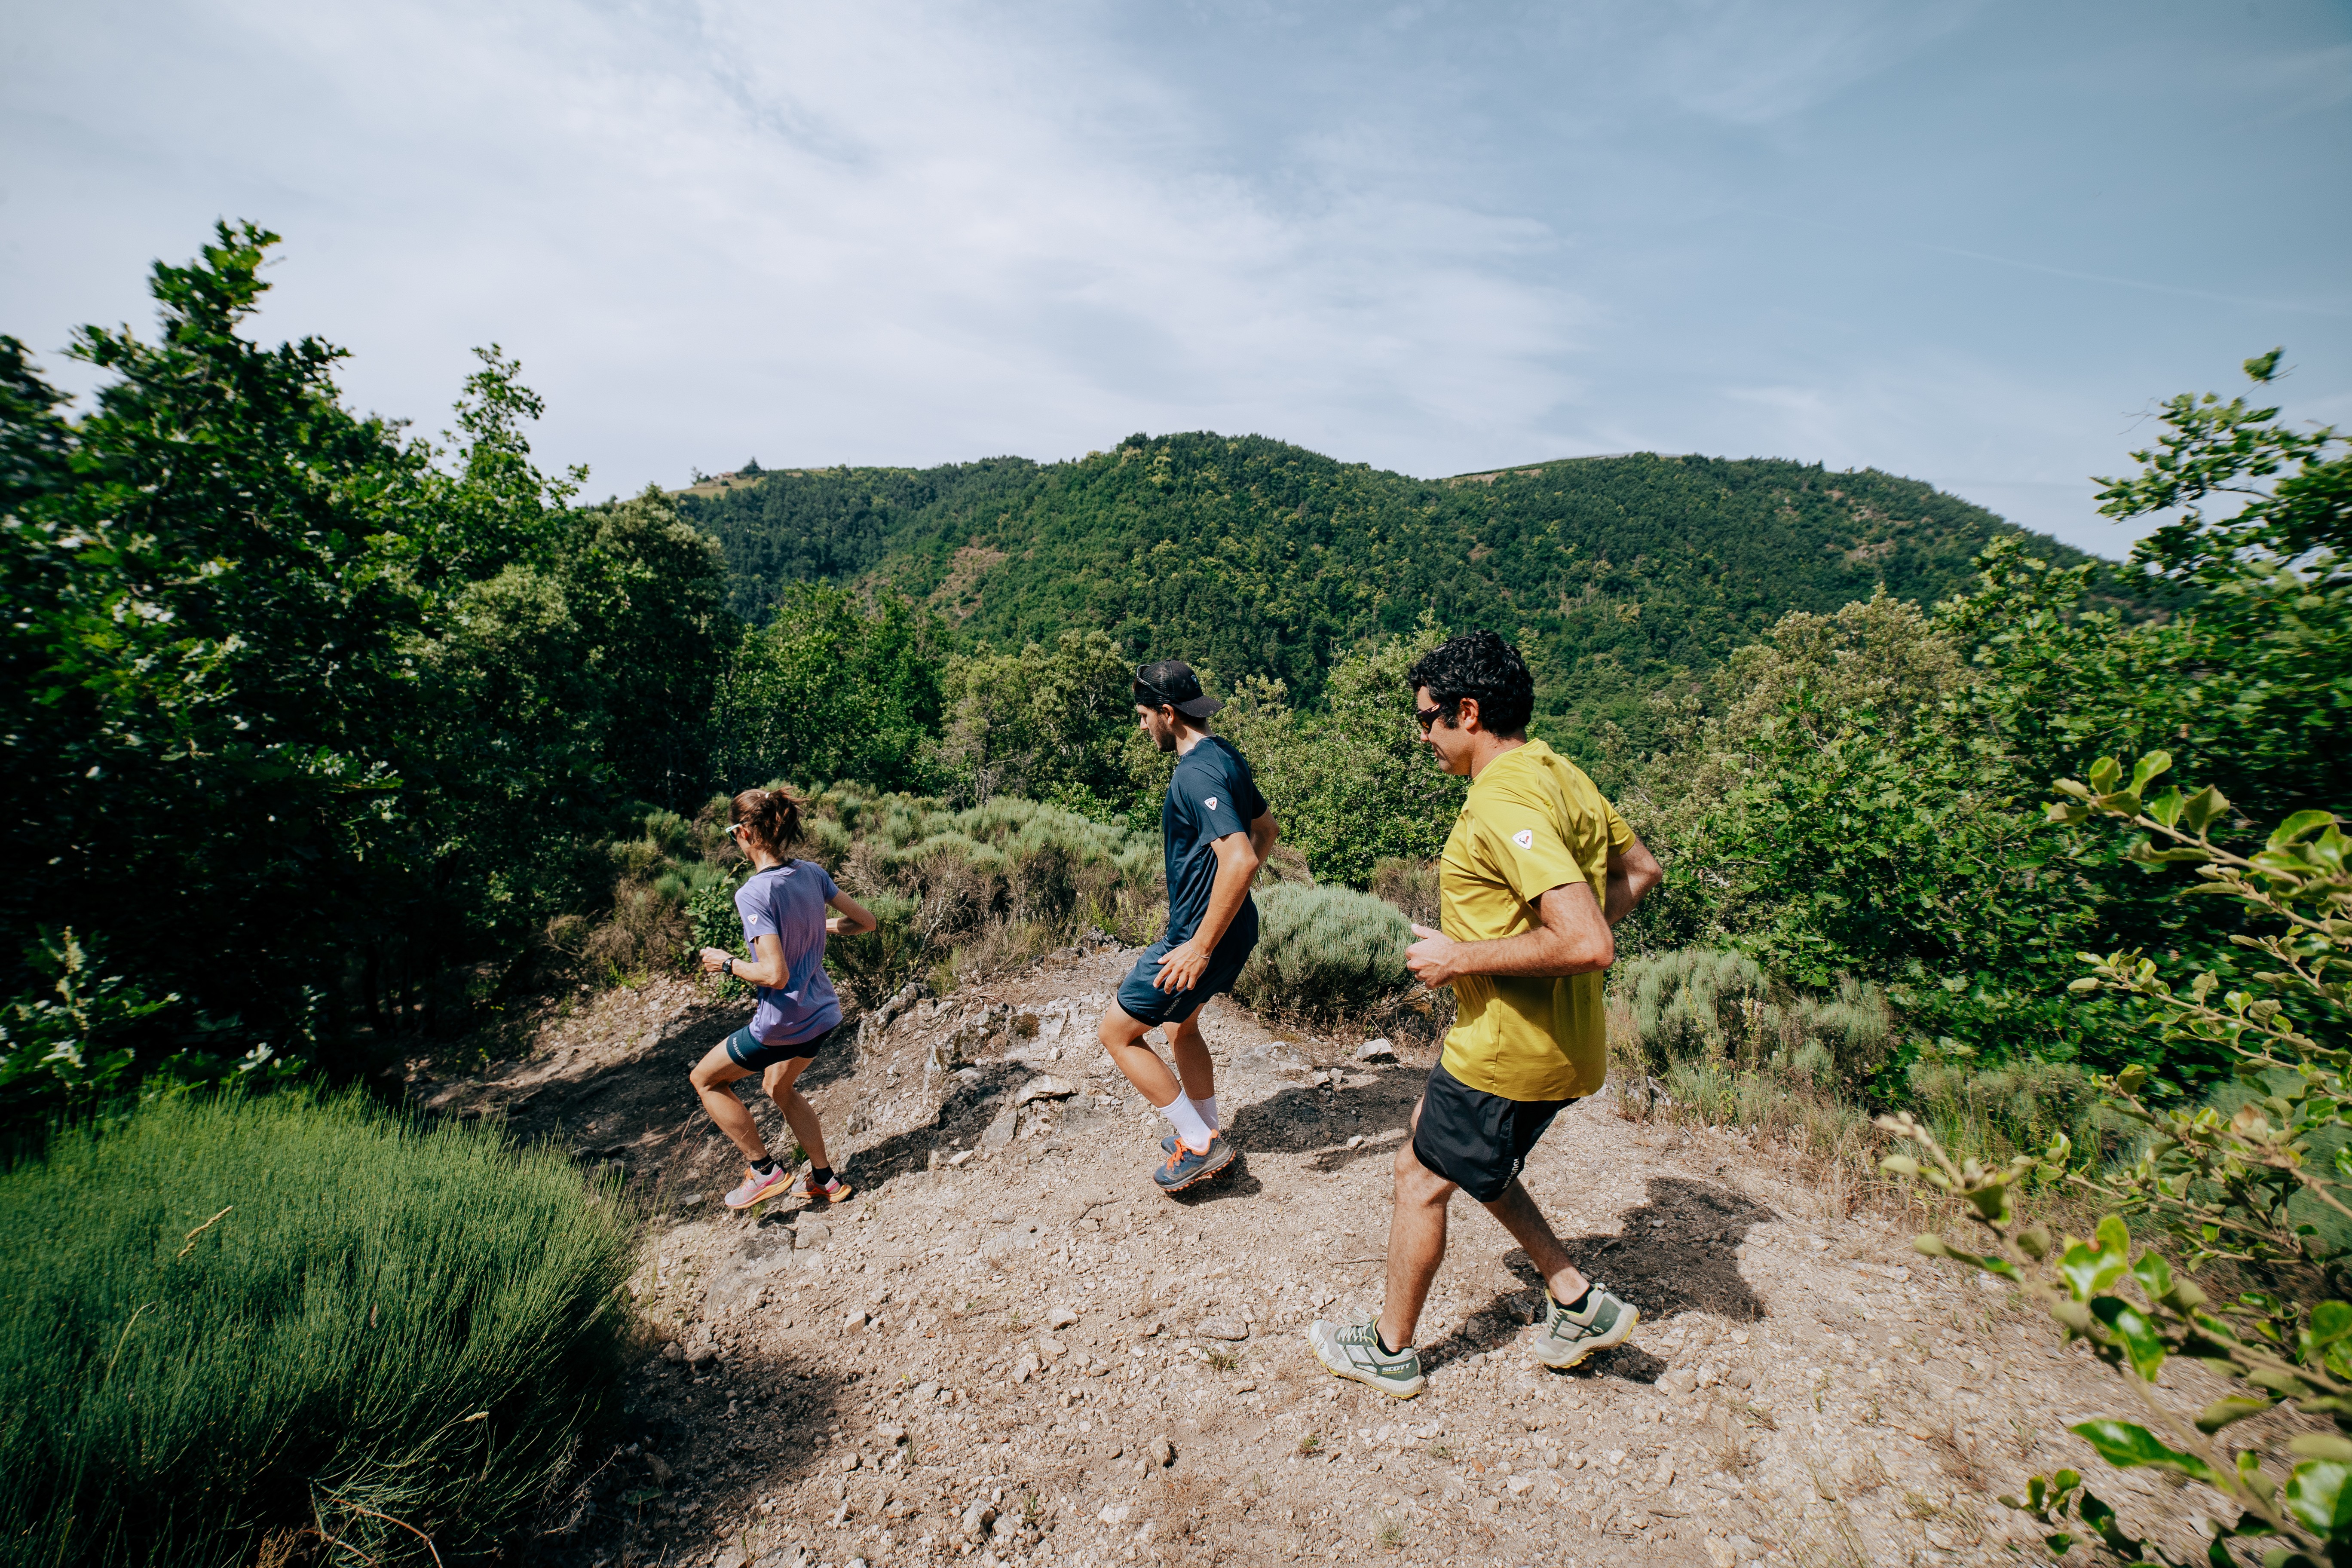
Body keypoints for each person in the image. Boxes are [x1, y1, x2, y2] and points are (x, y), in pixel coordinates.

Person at [1307, 631, 1663, 1398]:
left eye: (1428, 720)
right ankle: (1573, 1298)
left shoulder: (1503, 798)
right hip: (1569, 1046)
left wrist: (1460, 957)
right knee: (1471, 1161)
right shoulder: (1560, 772)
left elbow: (1586, 940)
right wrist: (1545, 951)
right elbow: (1640, 870)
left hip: (1506, 1049)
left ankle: (1390, 1349)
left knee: (1419, 1175)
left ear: (1467, 713)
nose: (1423, 737)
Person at [1098, 659, 1279, 1194]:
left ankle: (1199, 1145)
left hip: (1200, 936)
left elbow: (1243, 857)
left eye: (1143, 716)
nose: (1141, 727)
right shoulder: (1225, 753)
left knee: (1118, 1033)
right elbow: (1266, 831)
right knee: (1181, 1027)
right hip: (1233, 926)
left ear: (1168, 714)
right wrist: (1227, 901)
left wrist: (1199, 946)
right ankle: (1208, 1127)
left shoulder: (1195, 772)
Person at [689, 785, 879, 1212]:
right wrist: (816, 926)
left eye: (731, 831)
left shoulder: (753, 892)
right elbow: (866, 922)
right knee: (778, 1085)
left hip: (783, 1023)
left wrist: (726, 963)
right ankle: (825, 1180)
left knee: (705, 1080)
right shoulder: (812, 873)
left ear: (744, 832)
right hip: (823, 1015)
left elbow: (775, 974)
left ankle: (762, 1171)